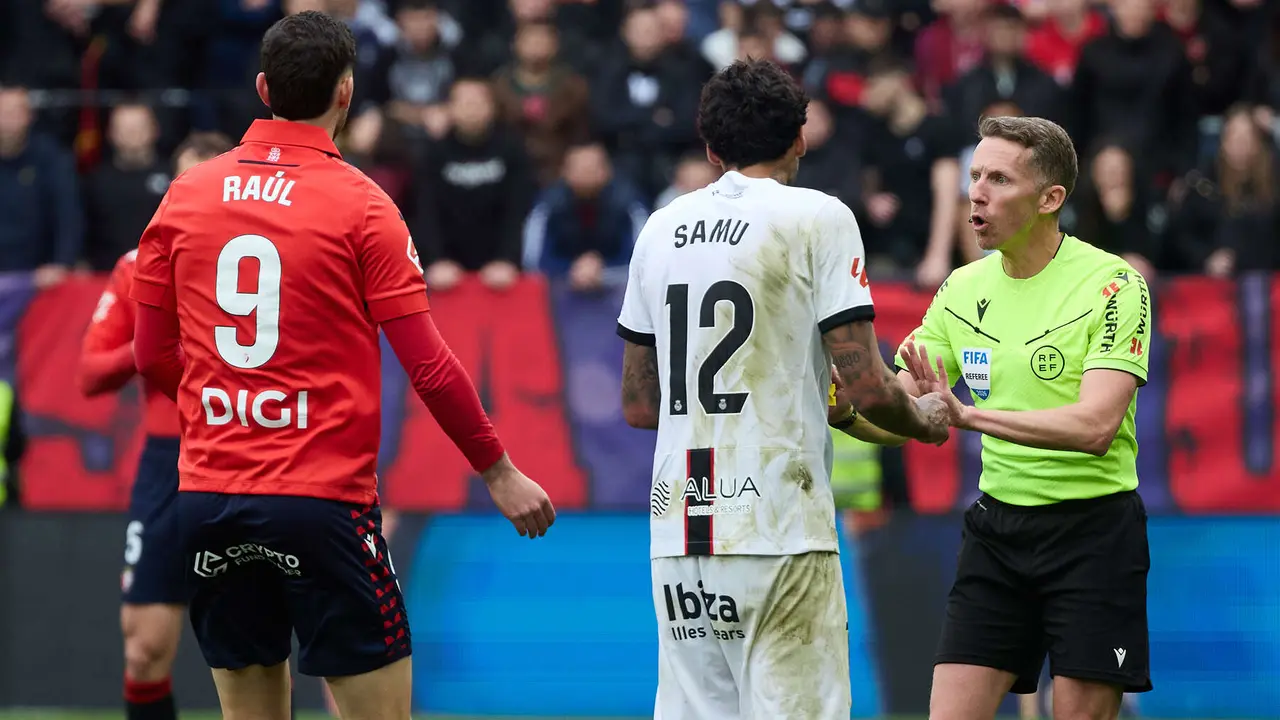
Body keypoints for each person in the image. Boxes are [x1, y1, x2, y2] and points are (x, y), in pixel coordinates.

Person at [129, 12, 555, 720]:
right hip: (318, 504)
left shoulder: (185, 194)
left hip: (207, 497)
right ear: (347, 94)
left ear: (264, 88)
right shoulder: (364, 206)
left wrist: (227, 411)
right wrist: (497, 470)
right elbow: (430, 366)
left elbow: (151, 355)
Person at [615, 58, 951, 720]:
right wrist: (925, 417)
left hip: (681, 528)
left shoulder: (660, 229)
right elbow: (863, 381)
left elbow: (638, 405)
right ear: (800, 138)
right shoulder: (818, 217)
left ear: (711, 149)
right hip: (778, 526)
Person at [894, 115, 1153, 720]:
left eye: (999, 179)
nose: (976, 191)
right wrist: (845, 399)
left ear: (1049, 199)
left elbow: (1095, 427)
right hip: (996, 533)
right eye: (974, 175)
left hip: (1093, 534)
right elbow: (900, 399)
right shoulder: (961, 288)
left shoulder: (1113, 285)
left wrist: (970, 417)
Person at [78, 131, 234, 720]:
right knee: (143, 649)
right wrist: (152, 343)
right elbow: (91, 374)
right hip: (167, 463)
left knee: (257, 654)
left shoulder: (262, 266)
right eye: (181, 185)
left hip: (244, 453)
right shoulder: (137, 266)